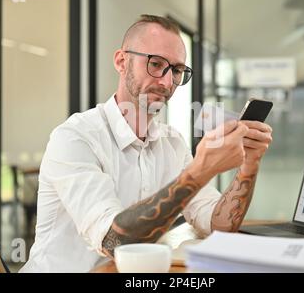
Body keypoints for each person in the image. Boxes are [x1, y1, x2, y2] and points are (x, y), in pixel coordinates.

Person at [20, 15, 272, 272]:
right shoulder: (75, 138)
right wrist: (202, 169)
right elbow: (114, 241)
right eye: (155, 63)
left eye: (175, 70)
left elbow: (216, 225)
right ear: (121, 61)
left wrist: (249, 165)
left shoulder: (172, 143)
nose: (166, 82)